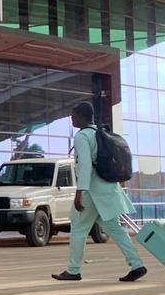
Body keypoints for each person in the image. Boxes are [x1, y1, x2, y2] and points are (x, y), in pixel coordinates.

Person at [53, 102, 147, 282]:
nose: (72, 120)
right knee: (115, 229)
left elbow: (86, 165)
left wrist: (80, 192)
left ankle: (73, 270)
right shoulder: (100, 133)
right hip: (109, 190)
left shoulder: (82, 136)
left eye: (73, 116)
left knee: (78, 228)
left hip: (91, 191)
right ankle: (137, 265)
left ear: (81, 116)